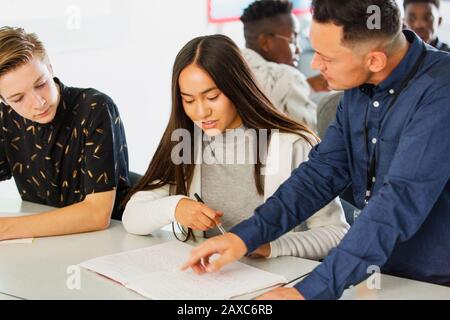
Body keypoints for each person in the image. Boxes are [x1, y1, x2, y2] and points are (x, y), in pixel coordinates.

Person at [182, 0, 450, 300]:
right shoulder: (358, 85)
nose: (314, 65)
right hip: (371, 272)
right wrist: (244, 236)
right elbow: (321, 174)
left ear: (374, 60)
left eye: (327, 58)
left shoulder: (441, 90)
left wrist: (306, 292)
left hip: (434, 282)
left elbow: (397, 201)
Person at [122, 34, 349, 261]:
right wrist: (175, 207)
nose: (201, 113)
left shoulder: (294, 144)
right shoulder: (187, 144)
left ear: (237, 87)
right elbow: (132, 218)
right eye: (188, 100)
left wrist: (273, 246)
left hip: (278, 282)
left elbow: (336, 234)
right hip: (211, 281)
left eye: (212, 97)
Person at [0, 27, 130, 241]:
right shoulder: (6, 117)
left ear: (50, 67)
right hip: (45, 245)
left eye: (41, 84)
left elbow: (96, 215)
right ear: (4, 100)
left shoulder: (95, 108)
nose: (38, 103)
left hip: (107, 242)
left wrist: (5, 229)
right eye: (17, 98)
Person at [240, 0, 328, 131]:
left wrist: (306, 85)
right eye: (293, 39)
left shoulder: (233, 68)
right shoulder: (288, 77)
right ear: (265, 42)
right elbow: (316, 133)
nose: (299, 49)